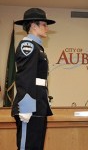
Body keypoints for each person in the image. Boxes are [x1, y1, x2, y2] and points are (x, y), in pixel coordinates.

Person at [12, 8, 55, 150]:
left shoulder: (37, 47)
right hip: (29, 107)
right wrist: (26, 107)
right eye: (44, 24)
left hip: (38, 105)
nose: (47, 28)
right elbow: (25, 77)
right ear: (33, 25)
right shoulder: (28, 45)